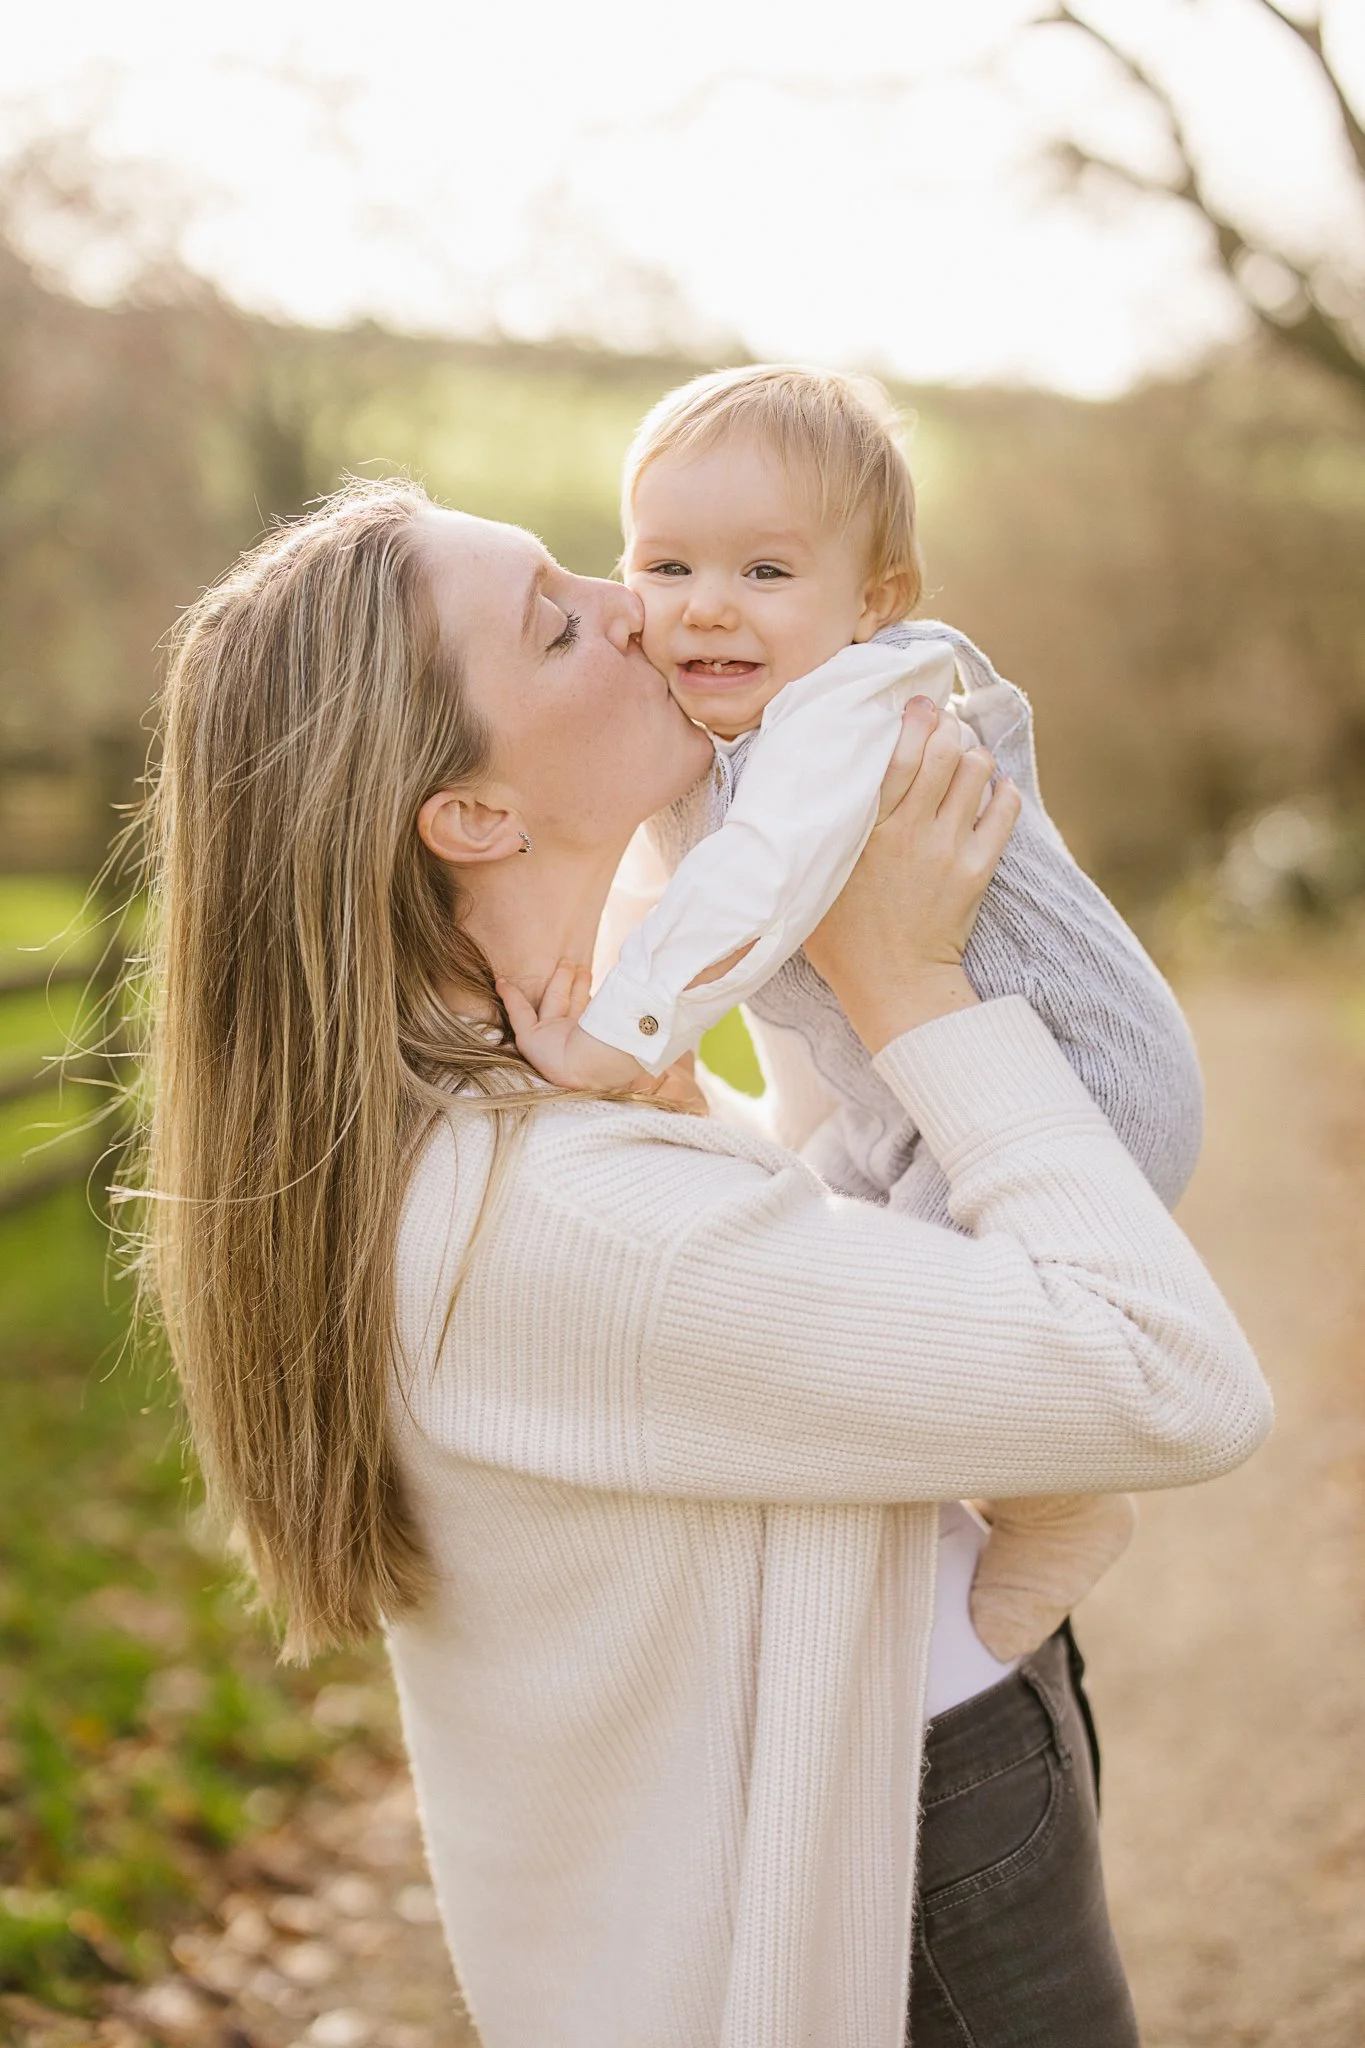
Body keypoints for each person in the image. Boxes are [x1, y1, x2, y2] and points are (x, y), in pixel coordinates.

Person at [136, 476, 1271, 2048]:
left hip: (913, 1761)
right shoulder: (563, 1216)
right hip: (910, 1870)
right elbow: (1176, 1377)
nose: (631, 603)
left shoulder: (506, 1106)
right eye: (555, 622)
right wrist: (912, 988)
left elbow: (793, 1281)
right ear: (471, 814)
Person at [503, 364, 1193, 1666]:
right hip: (915, 1106)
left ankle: (1061, 1497)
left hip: (1080, 1078)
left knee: (933, 1316)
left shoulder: (856, 707)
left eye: (767, 573)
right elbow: (668, 878)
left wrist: (616, 1039)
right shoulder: (718, 729)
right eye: (667, 565)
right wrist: (599, 989)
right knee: (808, 1239)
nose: (707, 605)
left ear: (873, 601)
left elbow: (754, 875)